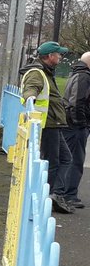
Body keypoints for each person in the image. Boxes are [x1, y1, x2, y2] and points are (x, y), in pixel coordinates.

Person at [20, 41, 74, 214]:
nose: (60, 57)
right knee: (54, 161)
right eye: (58, 54)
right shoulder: (37, 73)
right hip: (47, 124)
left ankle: (55, 194)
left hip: (53, 123)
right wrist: (30, 99)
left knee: (65, 159)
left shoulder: (47, 73)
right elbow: (30, 90)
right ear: (50, 56)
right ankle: (47, 196)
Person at [61, 51, 90, 208]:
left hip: (72, 124)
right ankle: (69, 195)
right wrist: (82, 123)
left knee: (70, 158)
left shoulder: (76, 74)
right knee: (75, 160)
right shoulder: (84, 77)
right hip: (75, 126)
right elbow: (77, 103)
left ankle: (66, 193)